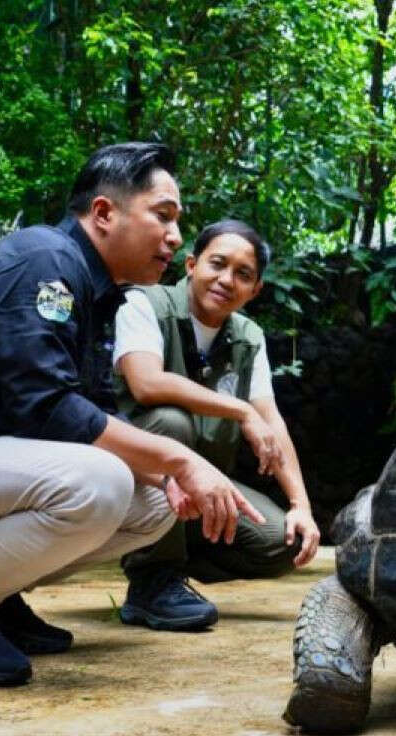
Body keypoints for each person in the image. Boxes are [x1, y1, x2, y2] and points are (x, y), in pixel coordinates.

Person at [0, 142, 263, 687]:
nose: (175, 236)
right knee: (103, 480)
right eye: (162, 216)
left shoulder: (100, 296)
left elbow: (89, 416)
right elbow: (45, 407)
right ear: (103, 213)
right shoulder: (44, 259)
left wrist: (168, 474)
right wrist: (181, 457)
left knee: (156, 502)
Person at [112, 219, 321, 631]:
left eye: (243, 275)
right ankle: (152, 578)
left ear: (255, 289)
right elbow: (147, 382)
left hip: (200, 490)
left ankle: (175, 560)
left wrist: (302, 506)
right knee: (171, 424)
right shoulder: (143, 303)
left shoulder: (248, 337)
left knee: (283, 542)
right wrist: (241, 411)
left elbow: (270, 419)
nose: (227, 280)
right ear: (191, 263)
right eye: (217, 264)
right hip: (133, 480)